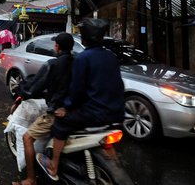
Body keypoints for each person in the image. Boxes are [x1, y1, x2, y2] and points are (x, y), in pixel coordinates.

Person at [36, 18, 125, 181]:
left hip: (95, 113)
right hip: (117, 112)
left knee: (60, 124)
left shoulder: (83, 58)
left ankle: (53, 165)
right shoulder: (111, 56)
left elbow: (77, 90)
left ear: (84, 38)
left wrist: (66, 107)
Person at [12, 33, 74, 185]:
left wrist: (22, 95)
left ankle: (30, 179)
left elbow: (34, 88)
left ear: (57, 46)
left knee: (27, 137)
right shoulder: (78, 62)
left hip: (57, 111)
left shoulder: (53, 64)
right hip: (77, 111)